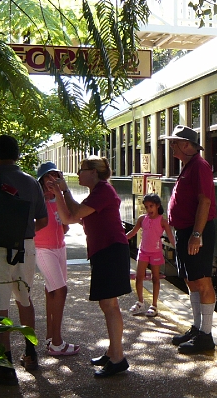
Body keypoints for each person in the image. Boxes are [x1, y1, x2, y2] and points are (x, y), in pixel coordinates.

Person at [0, 135, 48, 386]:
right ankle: (31, 352)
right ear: (17, 155)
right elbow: (43, 220)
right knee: (24, 299)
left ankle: (5, 365)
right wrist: (22, 230)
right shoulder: (31, 182)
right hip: (24, 247)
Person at [48, 156, 131, 378]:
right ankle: (113, 351)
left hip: (110, 251)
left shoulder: (104, 190)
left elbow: (74, 213)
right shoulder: (96, 194)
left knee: (109, 304)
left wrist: (65, 191)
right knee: (108, 304)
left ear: (94, 172)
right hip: (104, 252)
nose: (78, 173)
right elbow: (68, 217)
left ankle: (118, 359)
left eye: (81, 169)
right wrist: (58, 194)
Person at [161, 125, 217, 354]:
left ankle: (206, 335)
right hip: (186, 231)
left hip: (196, 232)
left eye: (174, 142)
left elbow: (205, 202)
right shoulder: (188, 166)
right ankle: (197, 328)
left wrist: (196, 234)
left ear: (186, 145)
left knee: (202, 281)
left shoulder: (199, 167)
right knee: (191, 279)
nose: (171, 146)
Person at [34, 162, 79, 356]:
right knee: (60, 290)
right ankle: (57, 343)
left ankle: (51, 335)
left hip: (60, 248)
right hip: (43, 249)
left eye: (55, 176)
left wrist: (60, 194)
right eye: (47, 177)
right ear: (41, 181)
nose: (51, 180)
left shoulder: (58, 198)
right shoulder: (36, 200)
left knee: (52, 290)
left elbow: (68, 220)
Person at [126, 193, 176, 317]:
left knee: (155, 278)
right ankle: (140, 302)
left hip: (156, 252)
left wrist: (179, 249)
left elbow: (171, 237)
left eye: (151, 206)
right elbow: (133, 232)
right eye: (147, 207)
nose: (149, 209)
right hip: (143, 251)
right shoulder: (142, 219)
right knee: (139, 276)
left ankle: (154, 305)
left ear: (157, 206)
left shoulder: (163, 221)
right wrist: (120, 239)